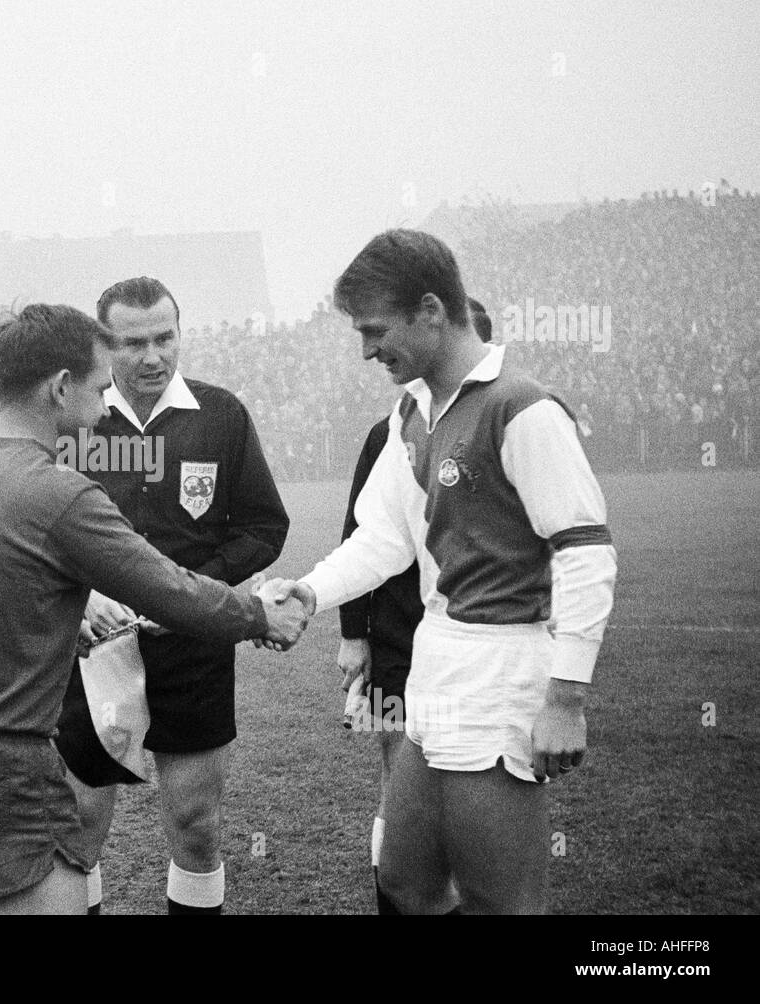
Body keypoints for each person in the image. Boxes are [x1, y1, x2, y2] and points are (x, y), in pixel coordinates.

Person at [0, 303, 308, 916]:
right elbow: (170, 590)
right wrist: (260, 614)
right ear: (59, 387)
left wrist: (57, 614)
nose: (107, 406)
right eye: (100, 387)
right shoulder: (57, 490)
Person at [264, 231, 617, 914]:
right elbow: (386, 539)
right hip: (434, 664)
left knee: (500, 900)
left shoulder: (525, 409)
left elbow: (586, 552)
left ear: (430, 310)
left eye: (374, 329)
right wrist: (311, 591)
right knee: (407, 882)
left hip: (502, 670)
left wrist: (566, 700)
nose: (367, 349)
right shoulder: (413, 410)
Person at [55, 277, 290, 915]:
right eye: (134, 343)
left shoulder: (220, 414)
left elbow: (265, 528)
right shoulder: (74, 419)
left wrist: (194, 591)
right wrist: (79, 598)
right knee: (77, 829)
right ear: (105, 345)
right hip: (90, 649)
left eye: (165, 337)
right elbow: (28, 534)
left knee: (197, 825)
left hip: (192, 646)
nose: (153, 356)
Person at [336, 295, 493, 915]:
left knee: (467, 788)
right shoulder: (390, 432)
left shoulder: (505, 420)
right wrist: (354, 634)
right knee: (398, 777)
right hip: (396, 638)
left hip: (473, 645)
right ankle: (399, 901)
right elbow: (359, 535)